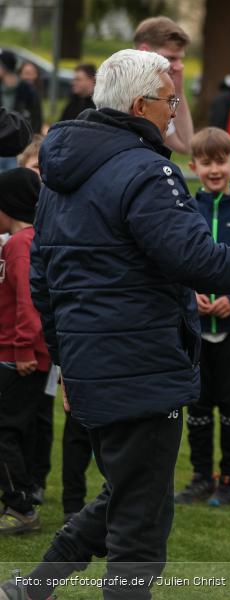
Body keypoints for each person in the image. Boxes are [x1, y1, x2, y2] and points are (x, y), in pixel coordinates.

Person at [0, 49, 230, 600]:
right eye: (172, 100)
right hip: (141, 363)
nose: (176, 112)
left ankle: (33, 588)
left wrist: (69, 363)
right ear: (142, 103)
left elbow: (43, 282)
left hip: (100, 366)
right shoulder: (146, 169)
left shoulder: (57, 177)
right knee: (140, 525)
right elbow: (197, 260)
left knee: (131, 490)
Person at [173, 127, 230, 507]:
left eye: (221, 161)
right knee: (196, 405)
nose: (215, 169)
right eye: (207, 162)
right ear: (193, 166)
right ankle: (199, 477)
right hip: (193, 328)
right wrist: (188, 298)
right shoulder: (183, 212)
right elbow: (173, 265)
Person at [0, 167, 50, 535]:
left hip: (19, 357)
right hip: (19, 353)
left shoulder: (21, 245)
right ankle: (22, 495)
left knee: (5, 430)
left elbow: (28, 303)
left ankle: (19, 506)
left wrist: (21, 350)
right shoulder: (22, 241)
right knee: (19, 428)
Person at [133, 16, 194, 155]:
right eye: (171, 58)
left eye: (180, 59)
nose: (179, 66)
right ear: (144, 52)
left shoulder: (158, 96)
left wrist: (178, 92)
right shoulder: (116, 89)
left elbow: (186, 146)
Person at [0, 50, 41, 169]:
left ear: (5, 67)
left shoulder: (26, 90)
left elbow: (36, 116)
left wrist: (32, 141)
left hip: (21, 144)